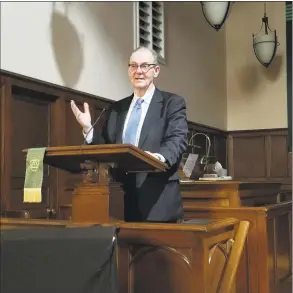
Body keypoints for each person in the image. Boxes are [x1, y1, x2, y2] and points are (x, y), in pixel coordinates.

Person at [71, 46, 188, 223]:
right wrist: (88, 129)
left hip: (158, 203)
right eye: (133, 66)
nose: (138, 71)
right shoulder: (117, 109)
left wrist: (156, 158)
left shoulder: (171, 103)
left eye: (144, 66)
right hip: (119, 204)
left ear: (156, 71)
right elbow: (107, 149)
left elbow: (177, 140)